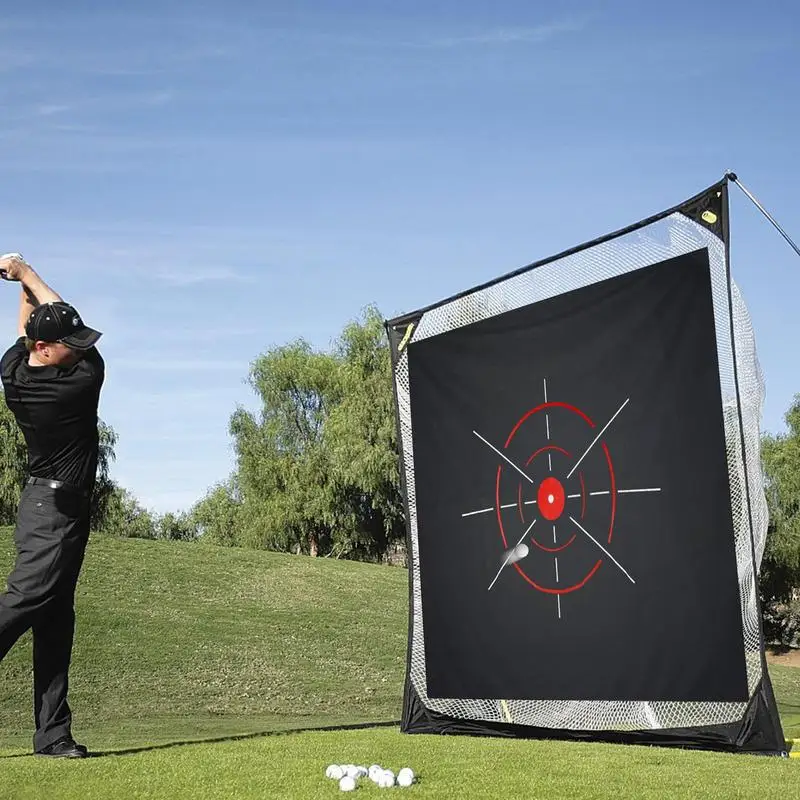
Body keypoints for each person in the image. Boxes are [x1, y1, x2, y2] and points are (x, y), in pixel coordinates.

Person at [0, 253, 104, 758]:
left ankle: (52, 733)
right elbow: (51, 310)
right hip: (55, 515)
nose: (82, 349)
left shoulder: (16, 374)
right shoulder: (81, 384)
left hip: (46, 507)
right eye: (71, 345)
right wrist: (27, 276)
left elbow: (28, 332)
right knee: (23, 603)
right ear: (47, 348)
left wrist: (21, 289)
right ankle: (52, 733)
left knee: (56, 617)